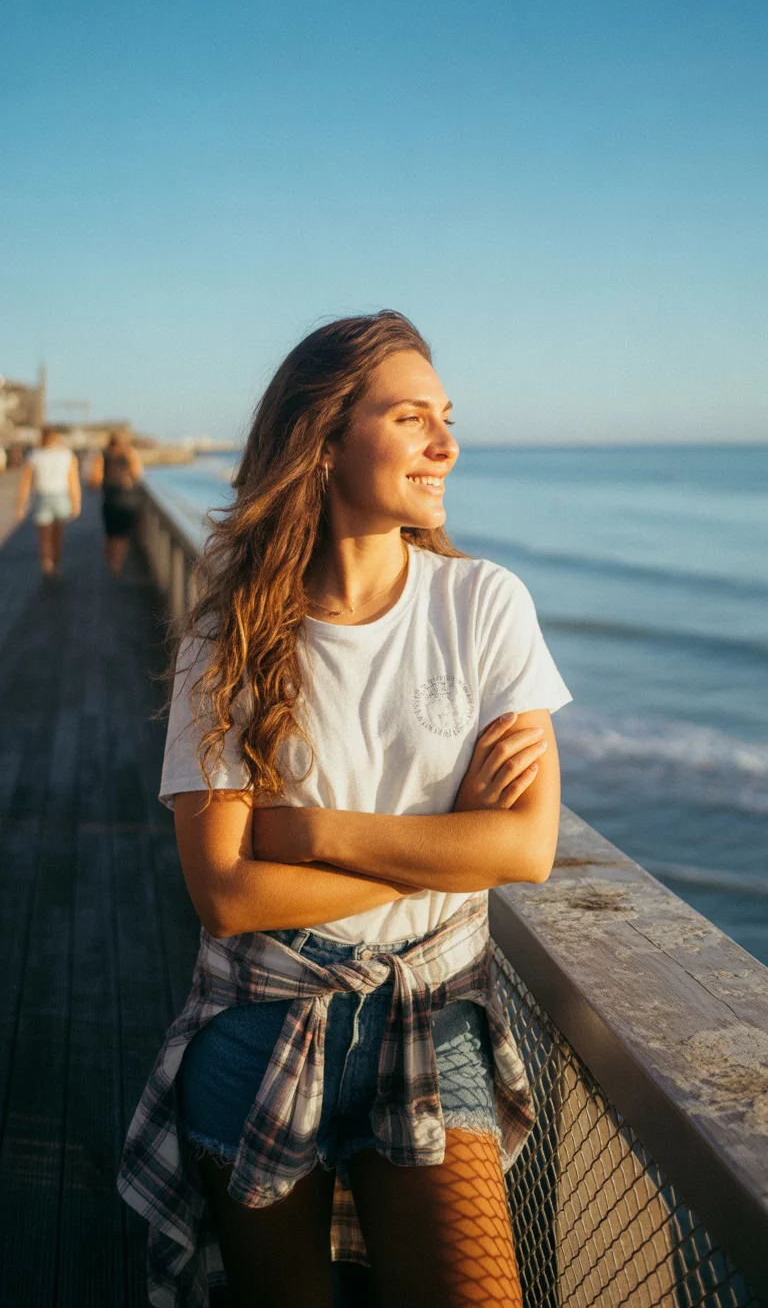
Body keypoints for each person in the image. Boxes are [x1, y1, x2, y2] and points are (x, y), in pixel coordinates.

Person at [118, 312, 572, 1308]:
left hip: (432, 1014)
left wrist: (312, 830)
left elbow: (526, 845)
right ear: (323, 445)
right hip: (260, 1015)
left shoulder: (484, 605)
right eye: (412, 419)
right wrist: (448, 845)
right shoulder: (228, 631)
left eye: (445, 418)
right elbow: (228, 896)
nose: (446, 445)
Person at [15, 427, 81, 576]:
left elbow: (26, 483)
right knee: (58, 534)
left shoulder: (34, 456)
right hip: (60, 497)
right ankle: (56, 564)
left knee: (44, 537)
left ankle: (46, 564)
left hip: (42, 496)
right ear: (56, 438)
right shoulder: (67, 455)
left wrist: (20, 505)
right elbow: (73, 481)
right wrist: (76, 502)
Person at [89, 430, 144, 574]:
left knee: (110, 532)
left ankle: (109, 559)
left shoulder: (103, 456)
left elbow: (95, 479)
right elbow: (137, 473)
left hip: (109, 498)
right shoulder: (130, 454)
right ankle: (117, 564)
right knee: (122, 534)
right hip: (126, 497)